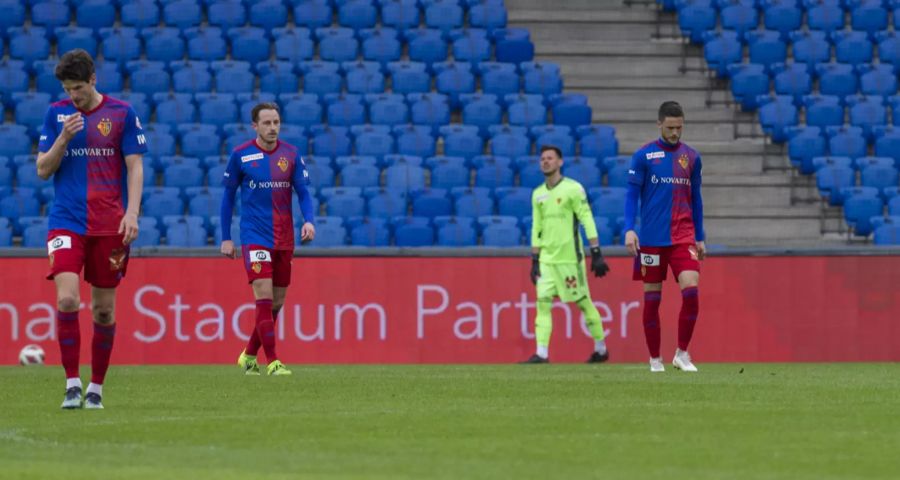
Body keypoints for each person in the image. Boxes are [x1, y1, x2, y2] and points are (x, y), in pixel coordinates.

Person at [36, 49, 147, 409]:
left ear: (94, 80)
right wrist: (62, 139)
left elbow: (135, 167)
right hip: (67, 221)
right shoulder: (56, 115)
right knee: (67, 299)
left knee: (103, 311)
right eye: (69, 89)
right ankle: (71, 384)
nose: (74, 96)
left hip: (109, 225)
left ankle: (95, 389)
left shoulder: (121, 114)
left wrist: (132, 212)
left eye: (79, 88)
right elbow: (42, 169)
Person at [220, 102, 316, 376]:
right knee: (262, 294)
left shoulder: (292, 154)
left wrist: (309, 220)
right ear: (255, 126)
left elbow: (304, 192)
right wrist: (226, 238)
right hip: (255, 236)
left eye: (276, 122)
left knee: (276, 303)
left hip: (284, 237)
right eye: (267, 123)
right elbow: (227, 198)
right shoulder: (241, 155)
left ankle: (249, 355)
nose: (272, 127)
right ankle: (273, 361)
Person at [624, 101, 706, 373]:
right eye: (670, 127)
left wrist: (700, 235)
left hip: (683, 237)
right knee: (652, 299)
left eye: (679, 127)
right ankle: (655, 359)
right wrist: (628, 228)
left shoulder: (692, 158)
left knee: (691, 291)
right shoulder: (643, 156)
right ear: (659, 124)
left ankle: (682, 353)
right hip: (651, 239)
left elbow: (697, 199)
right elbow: (631, 195)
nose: (675, 133)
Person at [521, 145, 611, 364]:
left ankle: (601, 349)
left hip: (570, 258)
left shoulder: (573, 189)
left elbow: (586, 219)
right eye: (542, 159)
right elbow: (536, 227)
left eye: (550, 158)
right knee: (542, 302)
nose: (545, 162)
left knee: (582, 302)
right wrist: (535, 259)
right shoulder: (538, 194)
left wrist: (596, 252)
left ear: (560, 162)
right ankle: (541, 353)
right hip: (547, 260)